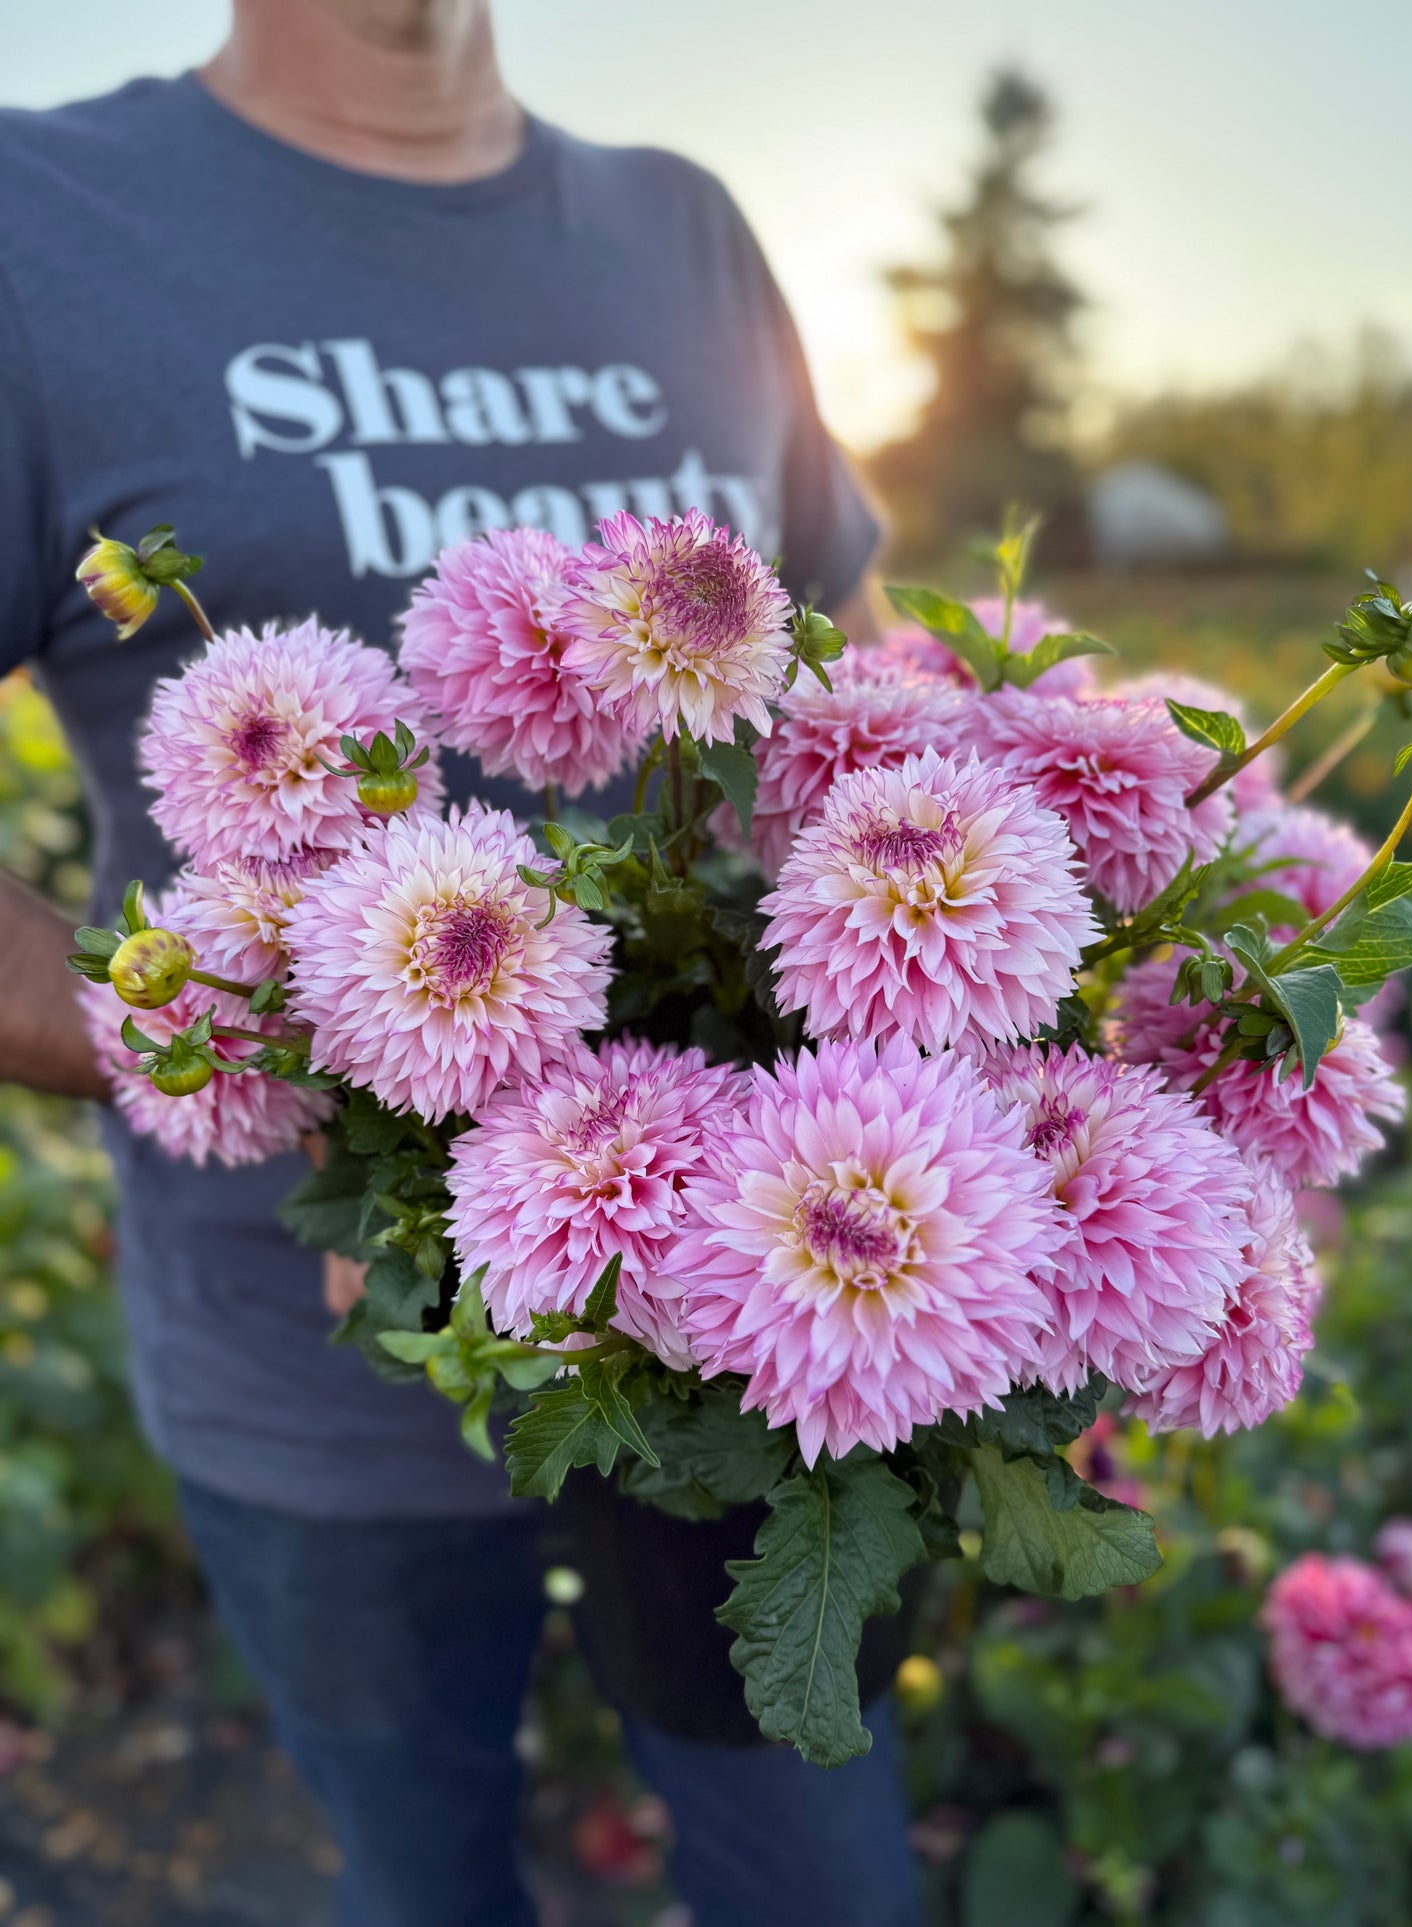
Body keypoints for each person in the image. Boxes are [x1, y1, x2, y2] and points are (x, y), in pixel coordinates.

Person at [0, 3, 919, 1923]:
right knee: (420, 1878)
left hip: (765, 1331)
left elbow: (868, 676)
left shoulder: (687, 228)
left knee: (821, 1879)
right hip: (322, 1376)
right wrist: (273, 1047)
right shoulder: (41, 216)